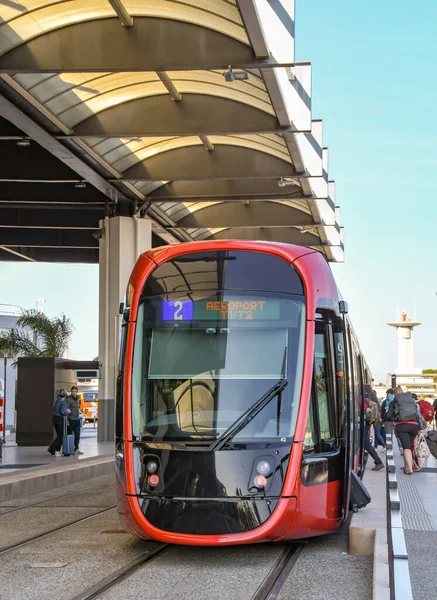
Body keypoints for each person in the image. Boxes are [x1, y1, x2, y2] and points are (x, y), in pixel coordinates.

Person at [392, 386, 421, 474]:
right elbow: (417, 415)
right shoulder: (412, 402)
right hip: (414, 426)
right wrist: (419, 428)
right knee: (409, 448)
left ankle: (409, 469)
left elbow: (389, 415)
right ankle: (406, 467)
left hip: (402, 426)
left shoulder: (395, 401)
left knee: (406, 448)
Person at [363, 386, 384, 471]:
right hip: (368, 423)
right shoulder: (373, 397)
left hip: (363, 423)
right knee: (365, 442)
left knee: (366, 443)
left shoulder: (364, 399)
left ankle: (378, 462)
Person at [48, 389, 69, 456]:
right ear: (65, 395)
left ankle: (53, 449)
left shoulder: (56, 400)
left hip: (54, 419)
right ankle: (55, 449)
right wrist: (68, 412)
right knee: (61, 436)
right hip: (60, 419)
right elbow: (63, 411)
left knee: (59, 435)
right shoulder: (63, 402)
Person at [67, 386, 83, 455]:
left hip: (77, 419)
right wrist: (67, 419)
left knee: (77, 435)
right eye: (73, 391)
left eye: (75, 391)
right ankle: (70, 449)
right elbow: (66, 409)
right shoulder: (69, 399)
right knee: (70, 435)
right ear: (71, 392)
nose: (74, 392)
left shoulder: (78, 399)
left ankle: (76, 449)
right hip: (71, 419)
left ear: (77, 392)